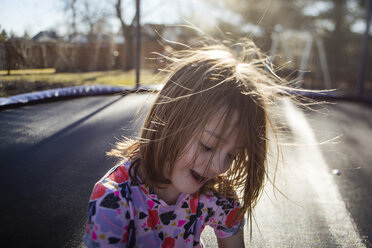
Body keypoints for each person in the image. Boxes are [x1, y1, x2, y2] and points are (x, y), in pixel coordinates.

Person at [84, 39, 288, 248]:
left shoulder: (216, 195)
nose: (219, 168)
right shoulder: (114, 199)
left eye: (231, 155)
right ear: (168, 121)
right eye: (207, 146)